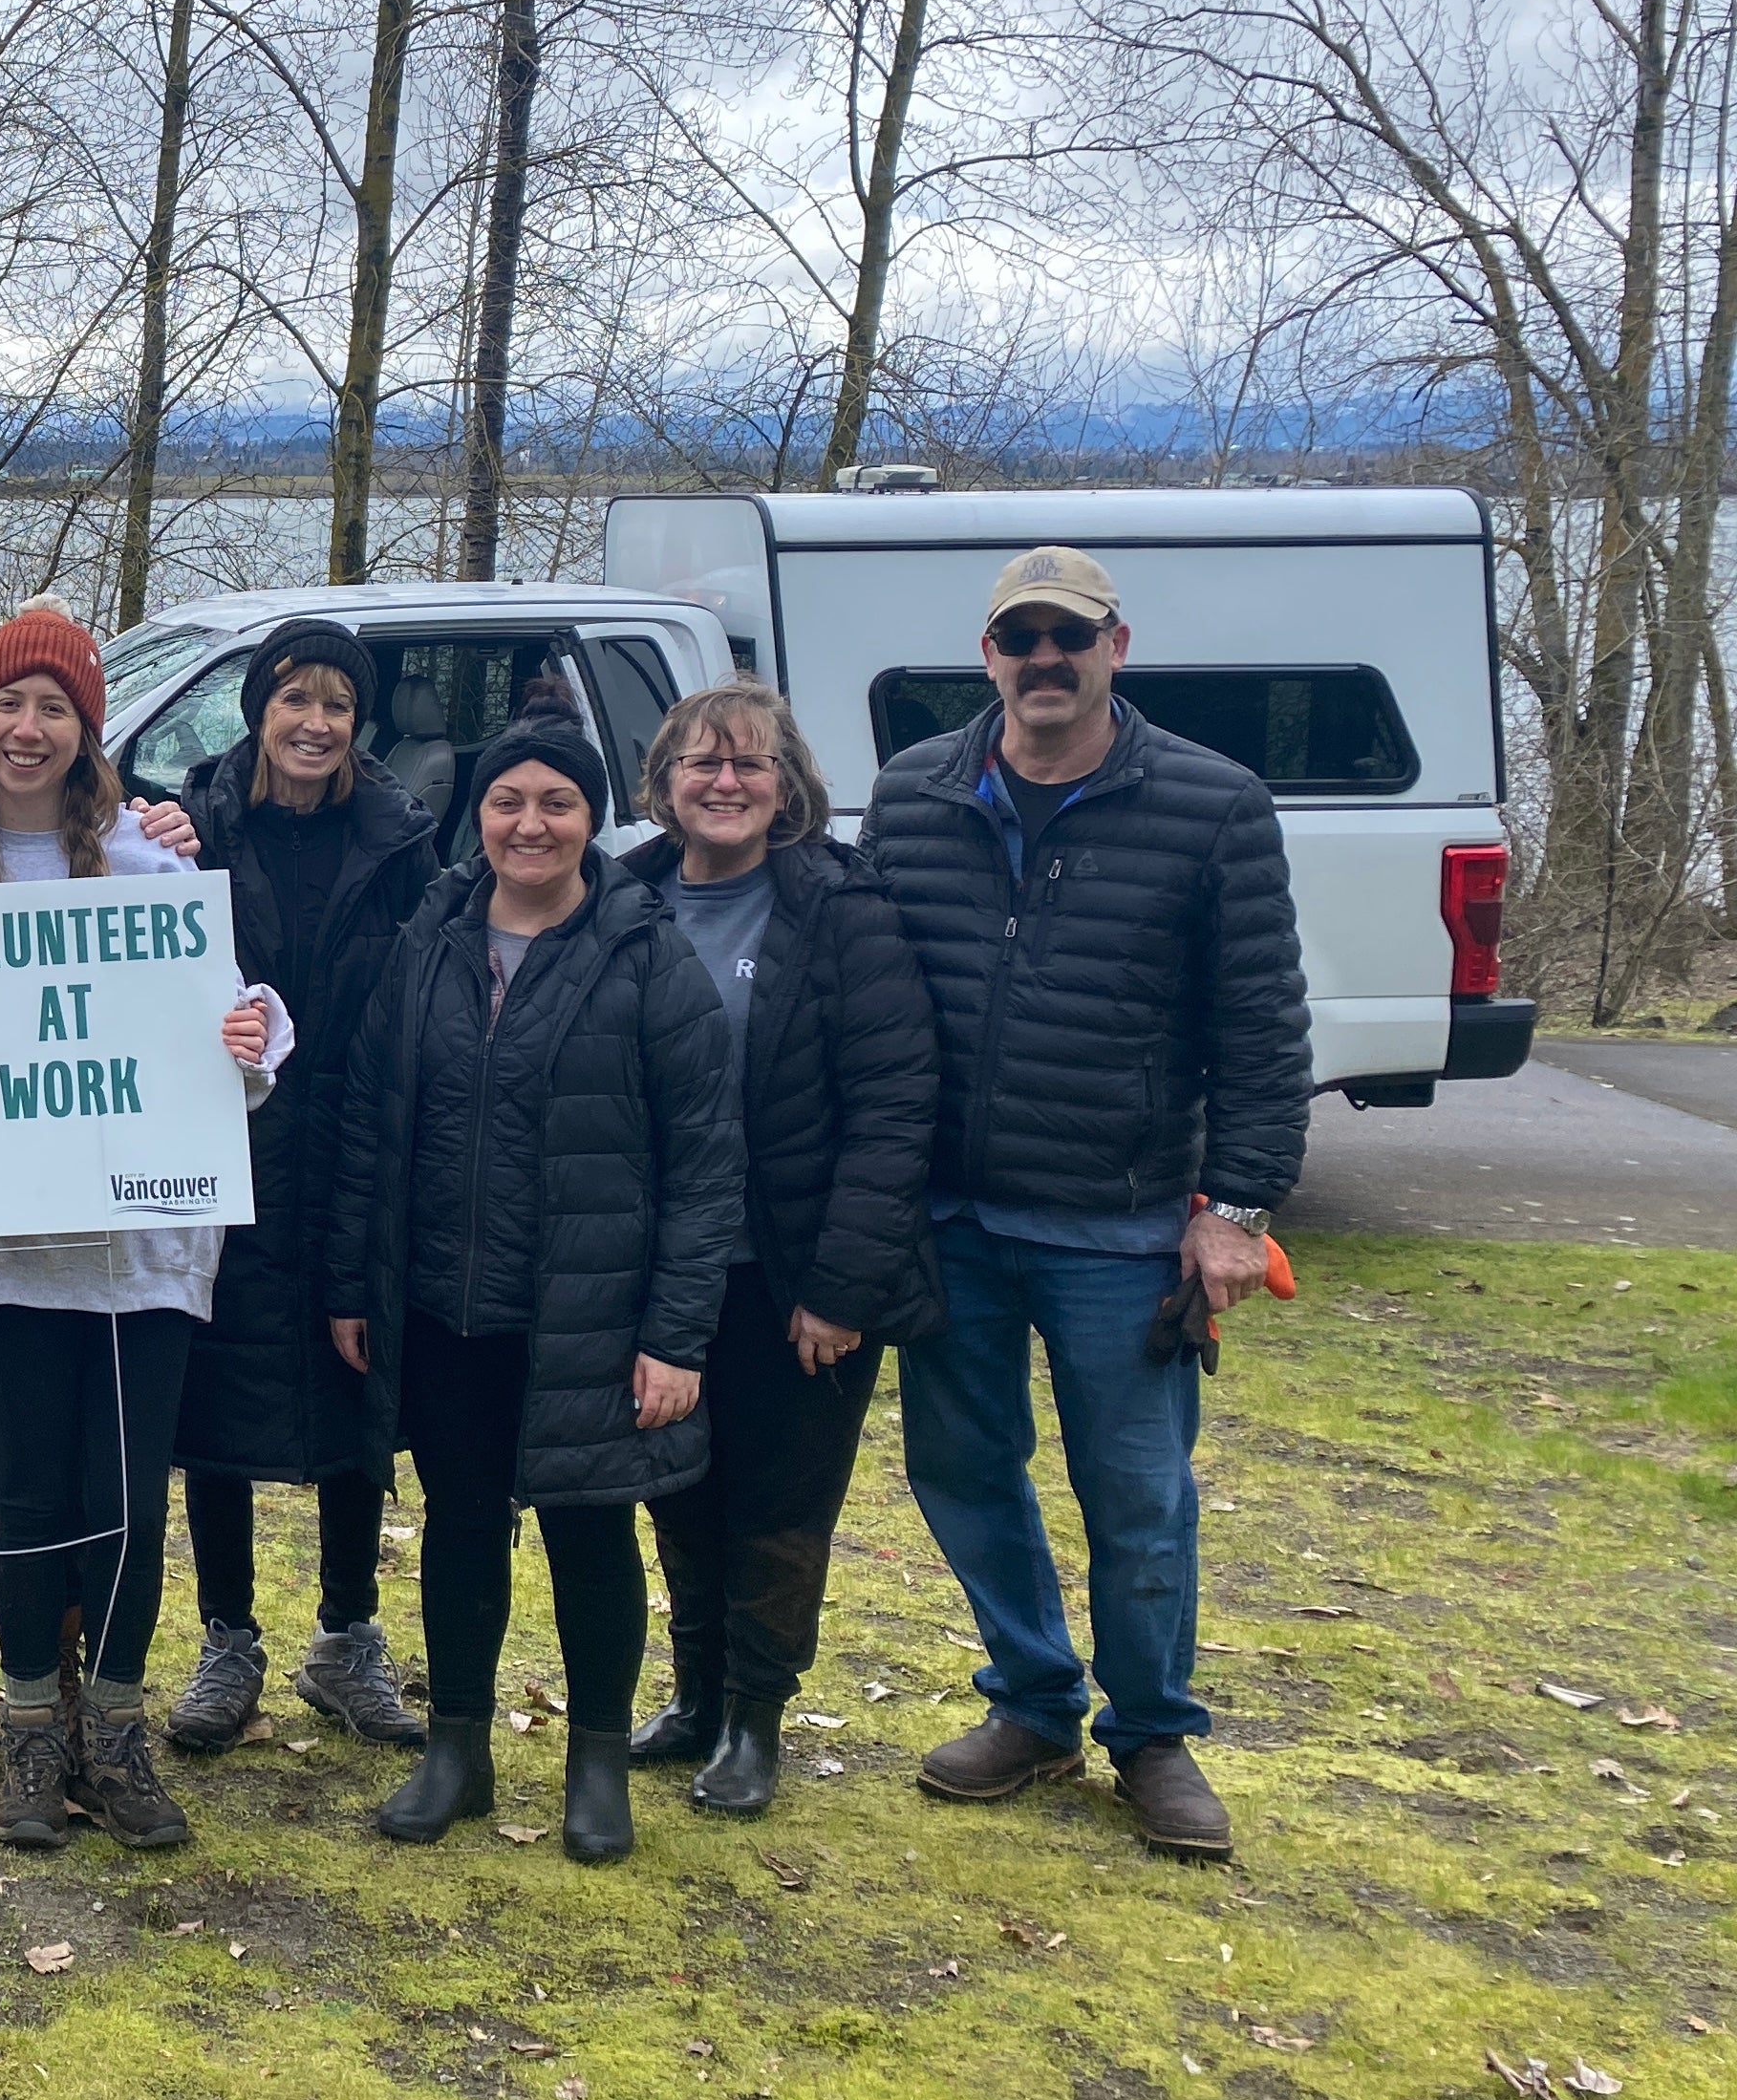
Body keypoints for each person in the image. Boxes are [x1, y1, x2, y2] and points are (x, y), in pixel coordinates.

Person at [861, 546, 1308, 1862]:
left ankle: (1154, 1736)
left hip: (1118, 1225)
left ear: (1119, 646)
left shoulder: (1211, 804)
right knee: (958, 1469)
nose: (1045, 659)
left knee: (1137, 1494)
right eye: (1021, 638)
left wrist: (1239, 1206)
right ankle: (1035, 1702)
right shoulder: (912, 793)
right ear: (988, 655)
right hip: (950, 1220)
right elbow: (872, 993)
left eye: (1072, 636)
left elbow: (1263, 1029)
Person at [0, 603, 287, 1856]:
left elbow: (238, 1038)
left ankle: (117, 1736)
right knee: (32, 1493)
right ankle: (34, 1742)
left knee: (128, 1499)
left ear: (89, 733)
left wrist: (254, 1037)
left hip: (145, 1256)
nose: (28, 728)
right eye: (8, 704)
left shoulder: (158, 878)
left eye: (54, 708)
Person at [322, 697, 740, 1866]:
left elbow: (706, 1166)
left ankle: (596, 1762)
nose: (530, 823)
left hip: (592, 1315)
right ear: (481, 813)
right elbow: (372, 1119)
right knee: (460, 1527)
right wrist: (358, 1283)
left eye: (557, 802)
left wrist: (678, 1335)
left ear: (591, 820)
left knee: (590, 1535)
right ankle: (456, 1749)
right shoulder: (430, 939)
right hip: (449, 1311)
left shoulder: (648, 957)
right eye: (508, 799)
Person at [614, 683, 941, 1815]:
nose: (725, 783)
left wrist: (842, 1286)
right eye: (701, 764)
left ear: (789, 786)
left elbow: (896, 1107)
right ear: (660, 787)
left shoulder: (843, 910)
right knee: (681, 1491)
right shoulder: (624, 900)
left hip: (795, 1275)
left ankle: (757, 1719)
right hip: (664, 1274)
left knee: (781, 1504)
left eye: (751, 765)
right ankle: (697, 1698)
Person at [161, 620, 437, 1762]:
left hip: (355, 1151)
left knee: (353, 1386)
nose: (315, 722)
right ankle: (229, 1638)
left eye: (337, 703)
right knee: (213, 1397)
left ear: (358, 722)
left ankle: (347, 1637)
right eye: (294, 700)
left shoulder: (403, 841)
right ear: (256, 709)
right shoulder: (187, 829)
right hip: (225, 1145)